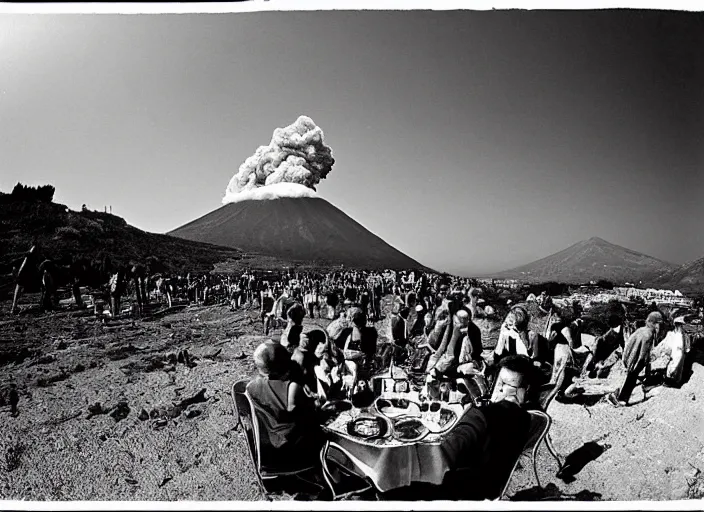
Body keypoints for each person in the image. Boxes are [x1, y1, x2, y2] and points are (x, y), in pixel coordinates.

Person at [385, 355, 536, 501]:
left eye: (503, 384)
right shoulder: (531, 417)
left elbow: (449, 452)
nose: (498, 388)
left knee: (389, 490)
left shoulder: (485, 416)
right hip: (489, 486)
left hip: (460, 491)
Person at [246, 342, 323, 471]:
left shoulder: (251, 387)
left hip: (266, 442)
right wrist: (315, 406)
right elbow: (293, 410)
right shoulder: (292, 386)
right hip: (290, 445)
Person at [607, 311, 664, 407]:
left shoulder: (641, 330)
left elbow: (629, 343)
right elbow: (643, 353)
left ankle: (618, 396)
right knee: (631, 379)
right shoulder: (649, 334)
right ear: (655, 323)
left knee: (629, 378)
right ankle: (622, 400)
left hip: (630, 358)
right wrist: (643, 363)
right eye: (658, 323)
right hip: (637, 361)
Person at [652, 315, 690, 387]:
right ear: (676, 325)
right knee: (672, 366)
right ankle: (668, 381)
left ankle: (676, 382)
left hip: (681, 353)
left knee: (679, 368)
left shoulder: (685, 335)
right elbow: (666, 343)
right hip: (673, 353)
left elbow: (687, 344)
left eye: (681, 325)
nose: (680, 326)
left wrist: (686, 350)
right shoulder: (671, 334)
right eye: (679, 324)